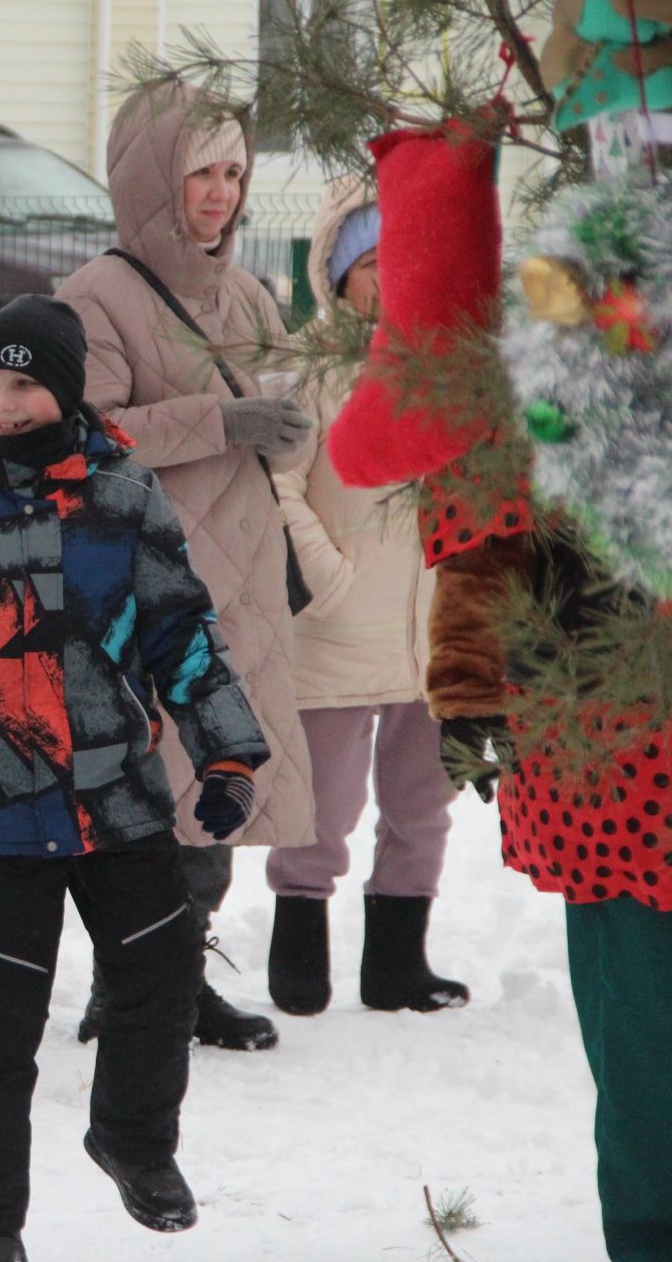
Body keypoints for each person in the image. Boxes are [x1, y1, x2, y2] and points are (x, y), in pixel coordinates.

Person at [0, 296, 269, 1261]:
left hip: (112, 793)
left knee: (161, 969)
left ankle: (132, 1139)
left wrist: (225, 749)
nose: (5, 405)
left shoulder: (123, 495)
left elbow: (181, 628)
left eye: (26, 384)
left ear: (66, 388)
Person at [56, 83, 316, 1053]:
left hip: (240, 581)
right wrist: (224, 419)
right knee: (145, 797)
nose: (221, 192)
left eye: (235, 172)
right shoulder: (95, 296)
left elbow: (283, 418)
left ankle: (185, 973)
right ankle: (129, 983)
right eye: (200, 170)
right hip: (148, 583)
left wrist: (290, 426)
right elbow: (85, 436)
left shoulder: (247, 292)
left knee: (218, 786)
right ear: (150, 178)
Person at [266, 178, 467, 1016]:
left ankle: (396, 966)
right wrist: (326, 576)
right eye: (373, 262)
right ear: (339, 272)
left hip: (435, 628)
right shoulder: (306, 368)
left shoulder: (454, 366)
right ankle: (298, 958)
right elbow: (277, 487)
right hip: (339, 622)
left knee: (423, 805)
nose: (391, 279)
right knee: (323, 807)